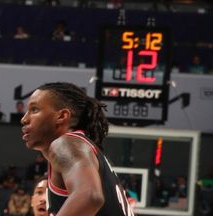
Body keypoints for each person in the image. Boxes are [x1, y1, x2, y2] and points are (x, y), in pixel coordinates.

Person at [20, 81, 136, 215]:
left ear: (62, 116)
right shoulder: (82, 149)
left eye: (34, 109)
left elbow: (90, 196)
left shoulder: (66, 144)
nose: (24, 119)